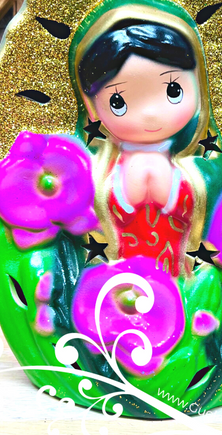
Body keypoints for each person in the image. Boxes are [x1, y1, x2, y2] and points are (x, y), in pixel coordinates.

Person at [77, 21, 204, 276]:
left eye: (173, 90)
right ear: (92, 107)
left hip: (177, 277)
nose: (150, 112)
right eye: (118, 101)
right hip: (124, 283)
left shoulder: (190, 170)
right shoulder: (105, 173)